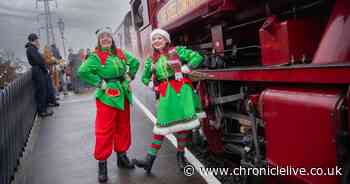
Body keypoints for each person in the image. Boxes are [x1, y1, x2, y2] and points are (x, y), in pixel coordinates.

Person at [133, 28, 203, 173]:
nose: (156, 41)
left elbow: (197, 57)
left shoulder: (177, 51)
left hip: (181, 92)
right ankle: (149, 160)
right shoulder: (151, 60)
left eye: (159, 38)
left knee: (183, 126)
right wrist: (152, 84)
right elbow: (144, 78)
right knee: (162, 126)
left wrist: (187, 67)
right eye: (154, 39)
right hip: (165, 94)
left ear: (166, 40)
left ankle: (180, 156)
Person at [78, 27, 140, 183]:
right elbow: (83, 71)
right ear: (98, 41)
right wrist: (99, 82)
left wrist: (128, 77)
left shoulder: (119, 53)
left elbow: (135, 62)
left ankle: (122, 157)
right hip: (107, 97)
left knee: (123, 126)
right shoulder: (95, 57)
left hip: (123, 93)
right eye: (102, 37)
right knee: (104, 130)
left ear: (112, 39)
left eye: (108, 37)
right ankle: (102, 164)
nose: (106, 39)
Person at [25, 33, 53, 117]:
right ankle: (42, 111)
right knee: (41, 91)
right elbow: (38, 60)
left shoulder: (32, 48)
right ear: (33, 40)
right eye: (37, 40)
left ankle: (43, 109)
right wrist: (45, 69)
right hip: (38, 71)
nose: (38, 42)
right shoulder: (31, 49)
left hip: (38, 70)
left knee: (42, 90)